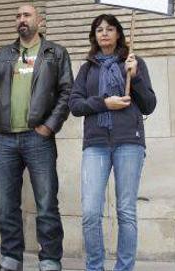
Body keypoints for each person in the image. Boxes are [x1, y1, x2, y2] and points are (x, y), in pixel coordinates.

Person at [0, 5, 72, 271]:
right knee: (7, 204)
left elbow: (66, 92)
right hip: (5, 138)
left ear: (40, 21)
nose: (21, 20)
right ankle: (11, 258)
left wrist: (49, 126)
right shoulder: (3, 54)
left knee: (46, 203)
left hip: (38, 137)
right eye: (18, 16)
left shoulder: (55, 52)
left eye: (27, 15)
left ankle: (50, 260)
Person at [68, 14, 156, 271]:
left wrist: (135, 76)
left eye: (109, 29)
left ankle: (124, 268)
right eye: (99, 30)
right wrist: (103, 103)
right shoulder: (87, 68)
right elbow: (75, 105)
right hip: (96, 143)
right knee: (91, 212)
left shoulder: (133, 62)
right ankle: (95, 267)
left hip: (129, 142)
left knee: (126, 211)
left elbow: (149, 104)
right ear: (94, 36)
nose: (104, 33)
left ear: (119, 33)